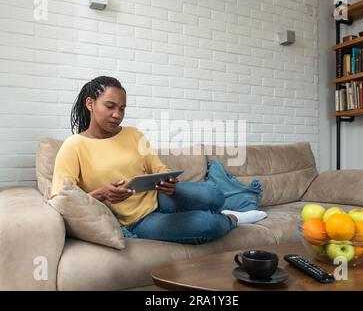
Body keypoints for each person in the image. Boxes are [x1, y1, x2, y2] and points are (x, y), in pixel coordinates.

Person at [51, 76, 266, 244]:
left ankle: (221, 210)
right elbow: (60, 200)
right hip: (138, 221)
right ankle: (232, 219)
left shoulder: (133, 134)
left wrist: (168, 181)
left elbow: (157, 166)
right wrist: (102, 194)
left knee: (214, 194)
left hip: (161, 197)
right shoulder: (74, 146)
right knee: (207, 224)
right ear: (90, 103)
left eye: (122, 108)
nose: (117, 114)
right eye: (110, 106)